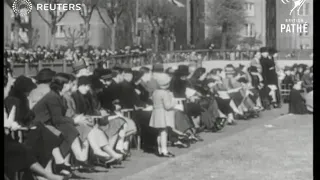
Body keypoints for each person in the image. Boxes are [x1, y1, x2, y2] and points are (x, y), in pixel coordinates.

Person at [4, 65, 67, 180]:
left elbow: (29, 116)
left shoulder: (22, 99)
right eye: (27, 91)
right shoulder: (12, 100)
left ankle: (50, 170)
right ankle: (51, 170)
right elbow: (14, 120)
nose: (29, 93)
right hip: (19, 133)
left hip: (24, 130)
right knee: (45, 136)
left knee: (46, 135)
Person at [149, 73, 176, 157]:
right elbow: (167, 106)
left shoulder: (155, 92)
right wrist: (173, 101)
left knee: (159, 132)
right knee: (164, 132)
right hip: (163, 114)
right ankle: (164, 150)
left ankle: (159, 150)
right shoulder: (165, 93)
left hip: (156, 113)